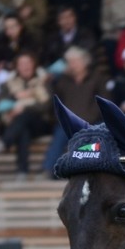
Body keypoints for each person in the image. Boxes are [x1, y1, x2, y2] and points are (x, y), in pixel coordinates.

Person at [42, 46, 110, 176]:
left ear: (85, 62)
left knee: (94, 142)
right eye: (69, 62)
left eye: (75, 61)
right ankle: (49, 170)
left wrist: (92, 117)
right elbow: (54, 100)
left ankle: (93, 173)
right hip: (68, 122)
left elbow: (105, 100)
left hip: (92, 122)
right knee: (59, 137)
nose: (72, 65)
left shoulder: (98, 77)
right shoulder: (62, 80)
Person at [0, 52, 51, 181]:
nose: (25, 66)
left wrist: (24, 107)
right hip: (16, 123)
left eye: (28, 63)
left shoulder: (44, 81)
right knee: (22, 130)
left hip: (40, 123)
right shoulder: (8, 83)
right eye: (22, 64)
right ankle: (22, 172)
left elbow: (47, 106)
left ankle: (4, 142)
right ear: (17, 67)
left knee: (25, 115)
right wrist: (15, 99)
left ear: (34, 65)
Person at [0, 14, 41, 85]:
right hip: (10, 72)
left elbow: (34, 58)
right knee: (1, 76)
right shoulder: (2, 42)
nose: (10, 30)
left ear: (20, 26)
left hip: (29, 71)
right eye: (7, 28)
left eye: (12, 27)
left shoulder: (30, 40)